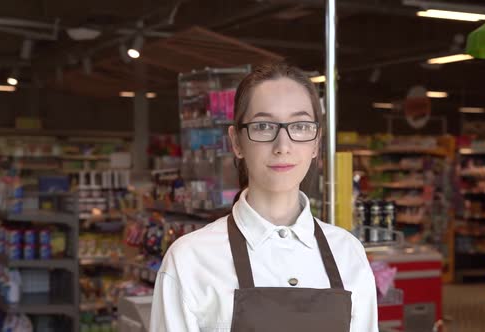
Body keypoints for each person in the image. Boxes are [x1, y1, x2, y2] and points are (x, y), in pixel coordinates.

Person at [150, 63, 378, 332]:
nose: (283, 146)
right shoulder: (190, 260)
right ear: (236, 142)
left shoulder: (348, 253)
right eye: (263, 126)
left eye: (301, 126)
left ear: (316, 142)